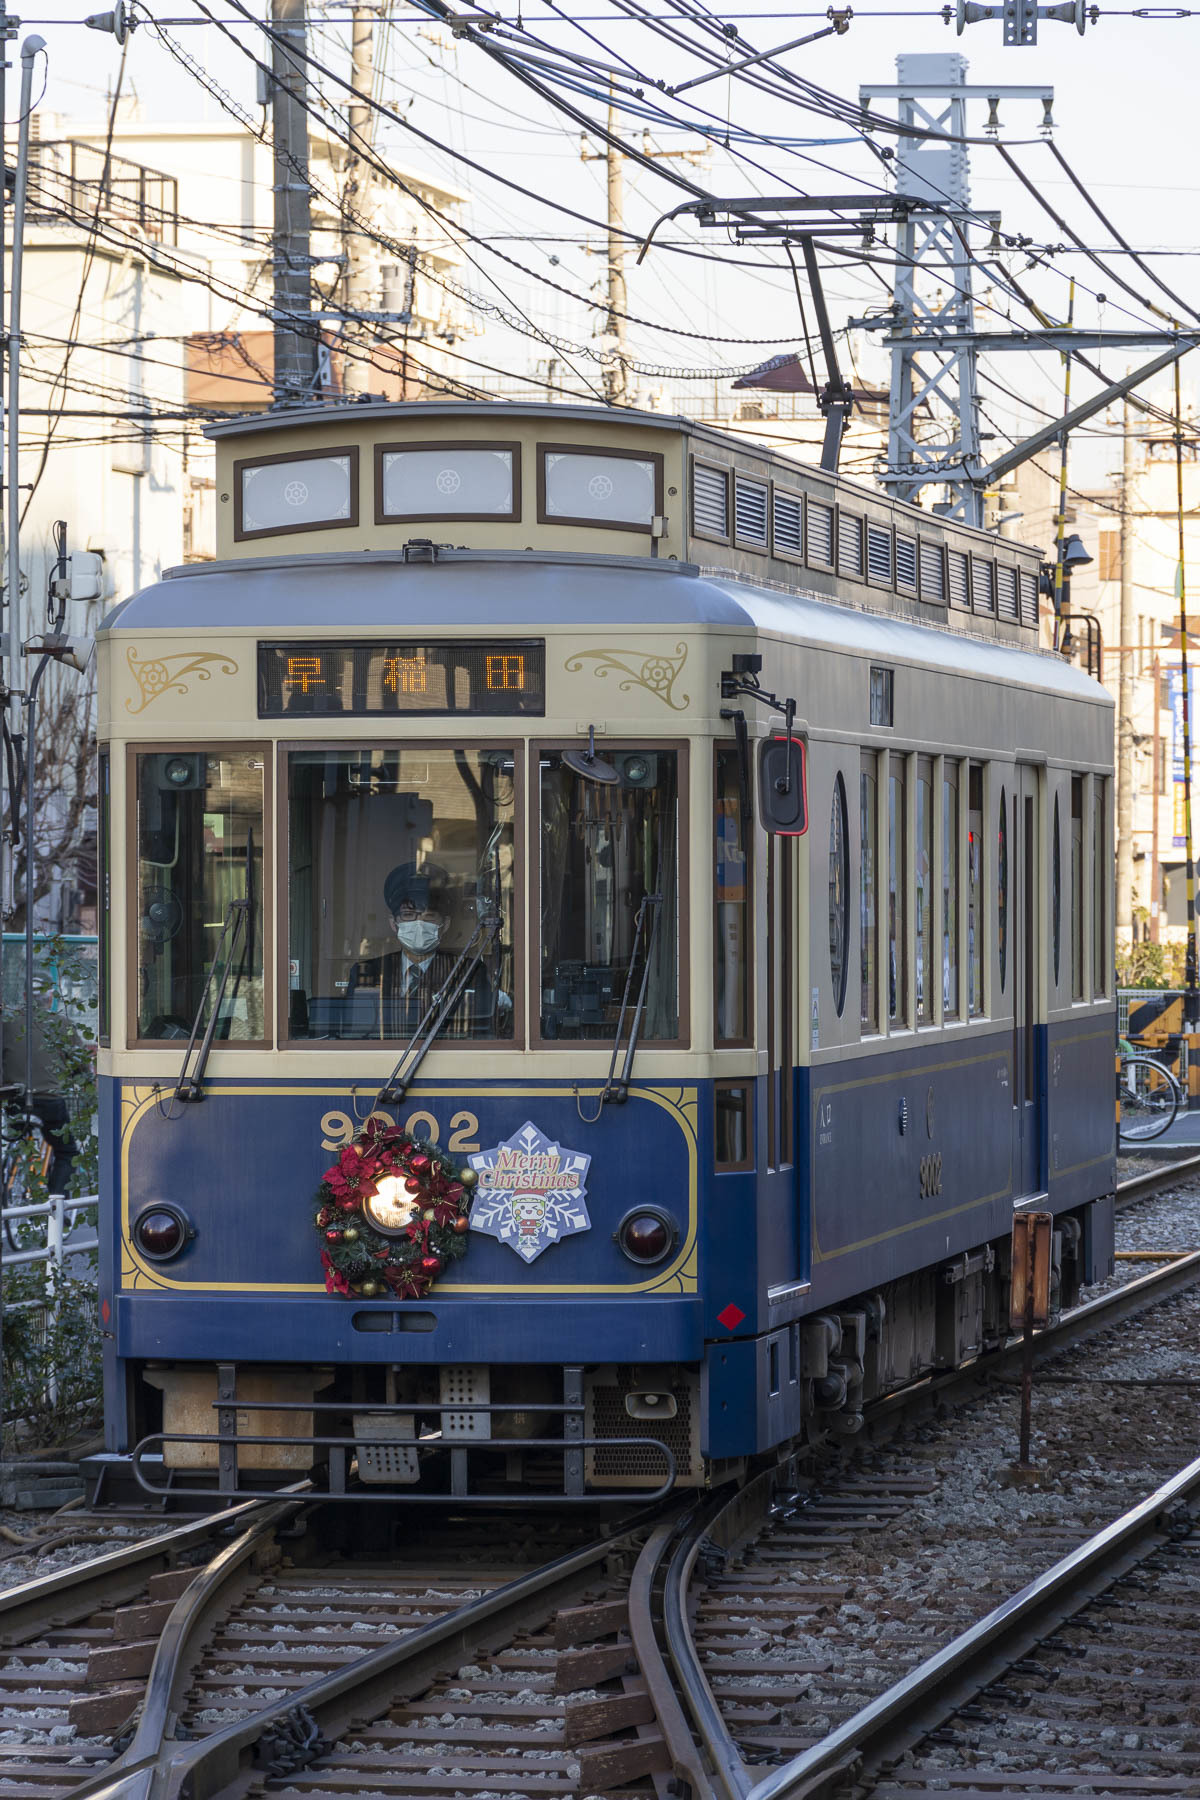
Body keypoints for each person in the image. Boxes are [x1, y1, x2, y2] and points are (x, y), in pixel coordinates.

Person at [350, 861, 505, 1040]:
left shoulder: (468, 972)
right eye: (409, 915)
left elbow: (481, 1035)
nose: (419, 924)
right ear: (394, 924)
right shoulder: (368, 972)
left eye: (429, 917)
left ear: (444, 925)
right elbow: (356, 1036)